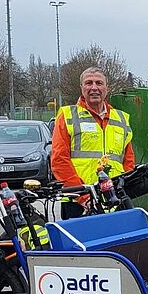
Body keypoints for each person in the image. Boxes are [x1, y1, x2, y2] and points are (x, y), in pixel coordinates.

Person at [51, 67, 135, 219]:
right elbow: (59, 160)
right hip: (78, 202)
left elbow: (128, 163)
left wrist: (122, 192)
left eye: (99, 83)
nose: (94, 88)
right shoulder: (68, 115)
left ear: (106, 88)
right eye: (88, 83)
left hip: (114, 201)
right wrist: (83, 196)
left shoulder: (121, 118)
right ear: (81, 88)